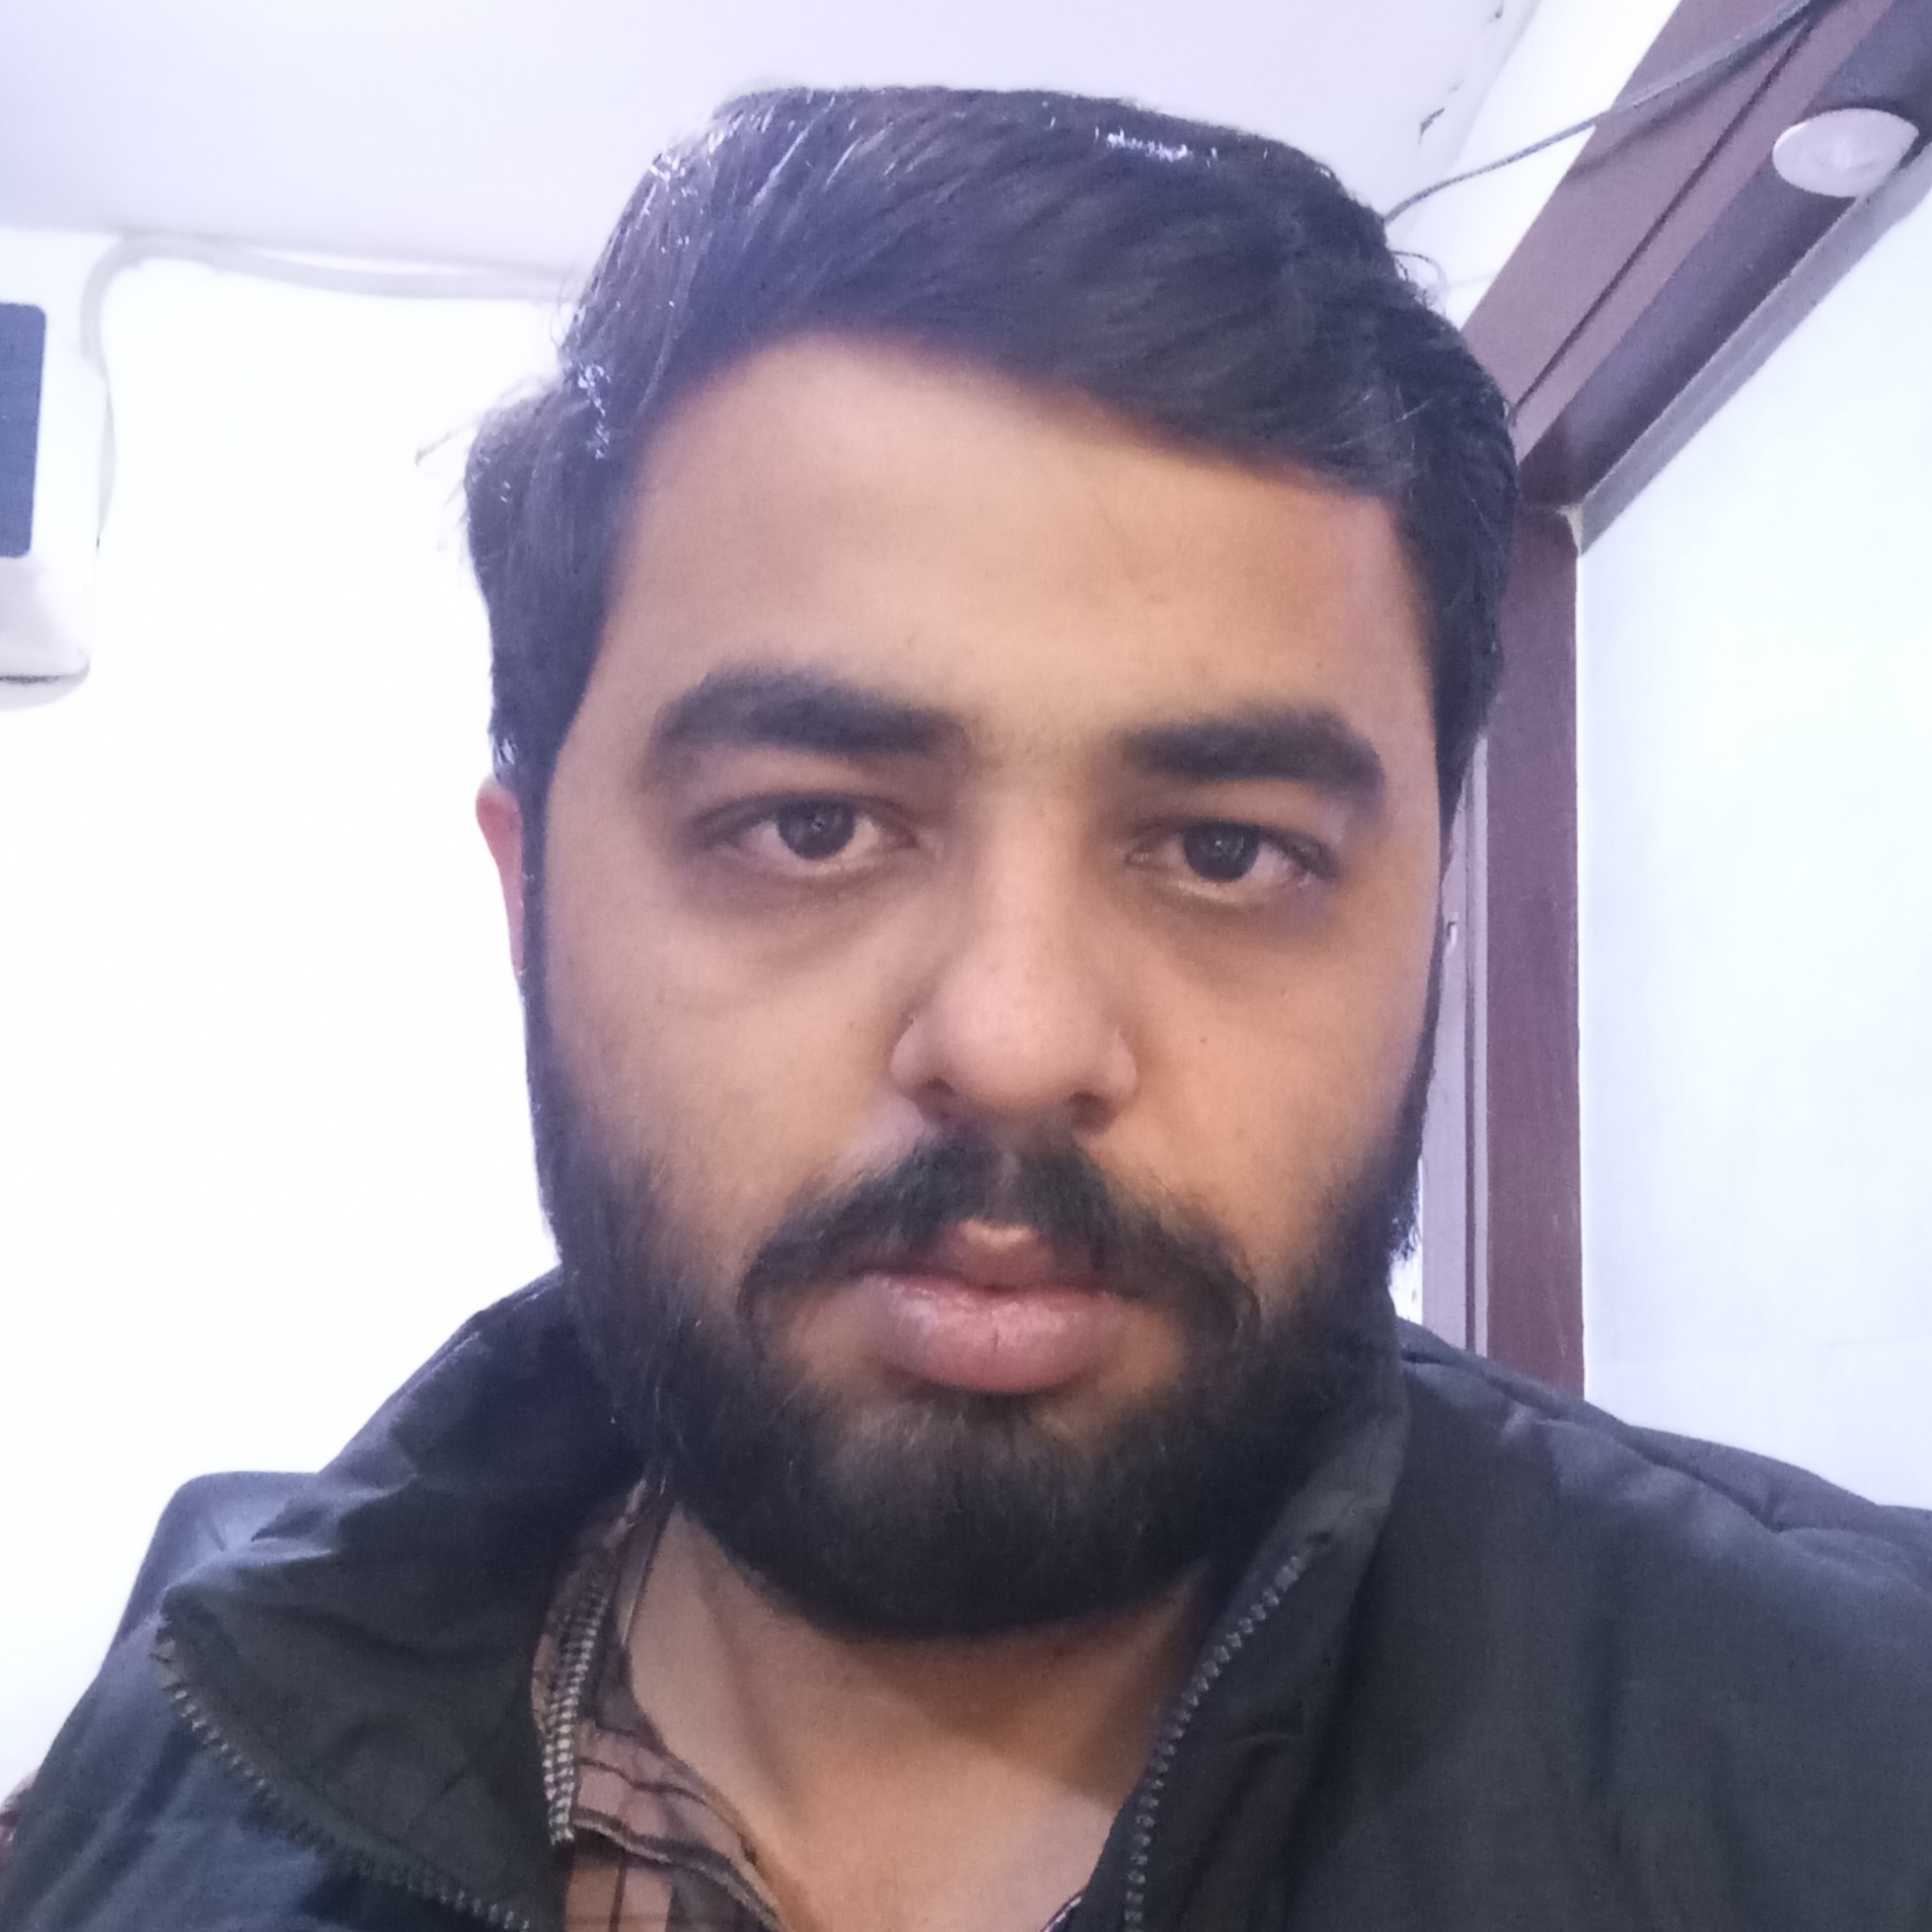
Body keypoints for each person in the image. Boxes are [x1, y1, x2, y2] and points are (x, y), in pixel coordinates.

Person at [2, 83, 1928, 1932]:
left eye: (1227, 850)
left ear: (1425, 923)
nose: (1012, 1041)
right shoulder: (171, 1747)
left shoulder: (1864, 1769)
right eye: (811, 825)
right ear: (532, 896)